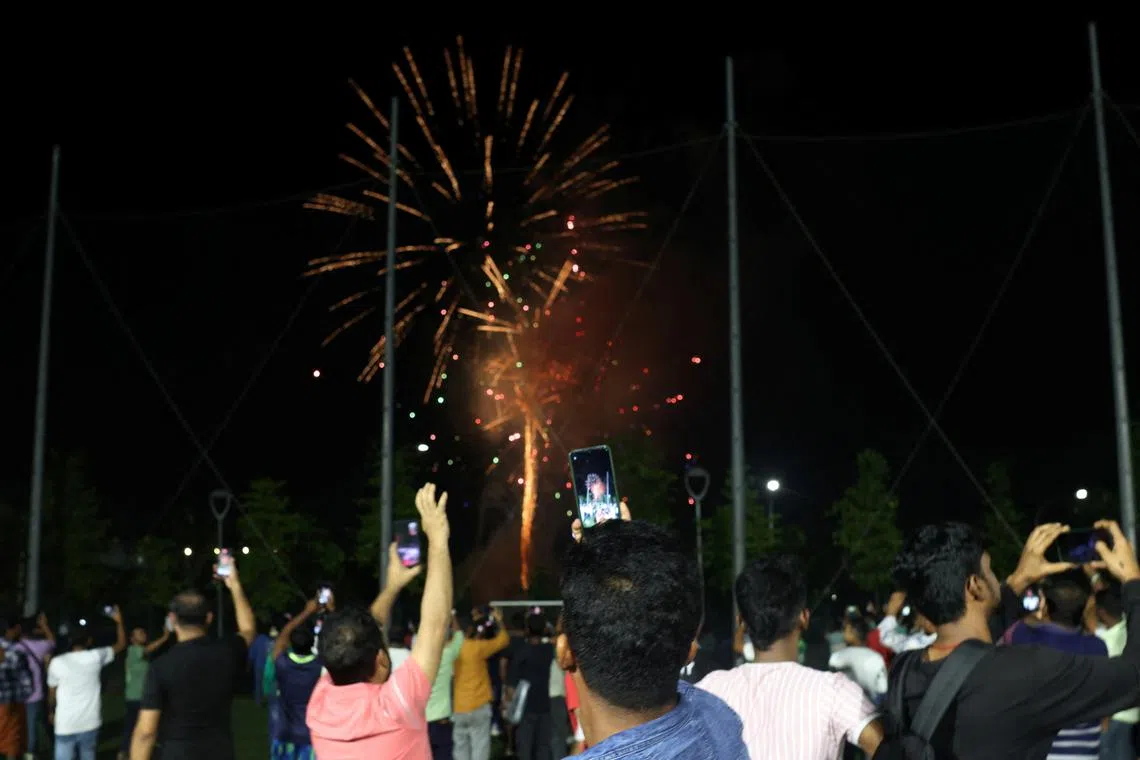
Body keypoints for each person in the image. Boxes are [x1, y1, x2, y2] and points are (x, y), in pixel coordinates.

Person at [886, 520, 1140, 758]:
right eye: (990, 570)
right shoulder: (1027, 672)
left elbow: (967, 652)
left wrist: (1019, 580)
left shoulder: (903, 670)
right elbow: (1135, 676)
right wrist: (1132, 579)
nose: (998, 578)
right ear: (975, 586)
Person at [561, 506, 748, 759]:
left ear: (565, 653)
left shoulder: (719, 715)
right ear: (690, 651)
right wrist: (632, 561)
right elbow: (658, 635)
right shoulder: (718, 720)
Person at [305, 482, 452, 759]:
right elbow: (435, 624)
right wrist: (438, 539)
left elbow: (357, 634)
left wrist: (392, 586)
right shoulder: (396, 706)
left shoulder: (319, 704)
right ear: (382, 661)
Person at [698, 555, 882, 758]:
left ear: (742, 622)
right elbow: (883, 747)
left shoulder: (707, 691)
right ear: (804, 618)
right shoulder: (833, 692)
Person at [129, 562, 256, 760]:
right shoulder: (227, 652)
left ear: (172, 619)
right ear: (209, 618)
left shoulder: (161, 666)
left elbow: (146, 731)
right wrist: (234, 584)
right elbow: (248, 629)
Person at [47, 606, 127, 760]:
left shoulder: (57, 662)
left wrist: (51, 711)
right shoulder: (96, 656)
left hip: (65, 724)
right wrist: (119, 622)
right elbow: (121, 644)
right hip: (90, 723)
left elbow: (52, 694)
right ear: (89, 641)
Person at [270, 598, 328, 760]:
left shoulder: (282, 663)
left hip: (283, 731)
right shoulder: (320, 666)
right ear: (312, 644)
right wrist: (330, 611)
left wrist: (306, 611)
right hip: (309, 734)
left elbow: (284, 634)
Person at [453, 608, 508, 760]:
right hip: (479, 704)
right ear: (470, 629)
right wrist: (499, 620)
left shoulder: (452, 649)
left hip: (458, 707)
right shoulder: (477, 647)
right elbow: (503, 639)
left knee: (460, 750)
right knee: (480, 748)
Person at [1093, 582, 1137, 760]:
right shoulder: (1131, 629)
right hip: (1133, 715)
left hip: (1115, 719)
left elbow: (1108, 683)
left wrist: (1104, 716)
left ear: (1101, 612)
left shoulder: (1104, 641)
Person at [506, 613, 555, 760]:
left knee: (525, 750)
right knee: (543, 750)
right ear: (544, 629)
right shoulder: (549, 650)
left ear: (527, 629)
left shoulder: (521, 652)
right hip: (546, 706)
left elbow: (510, 686)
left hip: (525, 708)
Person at [119, 625, 170, 760]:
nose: (144, 634)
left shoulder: (140, 652)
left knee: (137, 725)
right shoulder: (133, 650)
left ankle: (131, 751)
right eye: (140, 633)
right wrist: (164, 637)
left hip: (139, 696)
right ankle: (126, 751)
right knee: (135, 726)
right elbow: (149, 649)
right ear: (132, 639)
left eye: (143, 632)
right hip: (136, 697)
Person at [16, 612, 55, 760]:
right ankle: (31, 754)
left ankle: (24, 752)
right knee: (33, 727)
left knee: (22, 726)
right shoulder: (39, 646)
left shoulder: (13, 647)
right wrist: (45, 626)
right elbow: (52, 642)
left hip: (17, 695)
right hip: (35, 694)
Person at [424, 613, 463, 760]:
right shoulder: (447, 655)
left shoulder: (419, 659)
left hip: (422, 723)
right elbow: (459, 637)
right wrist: (452, 616)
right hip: (441, 721)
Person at [828, 614, 889, 705]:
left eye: (845, 630)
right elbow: (883, 688)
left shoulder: (838, 656)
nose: (843, 633)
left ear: (853, 633)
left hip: (846, 706)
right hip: (873, 708)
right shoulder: (876, 657)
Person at [1, 614, 34, 760]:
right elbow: (27, 684)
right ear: (10, 630)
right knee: (12, 741)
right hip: (10, 703)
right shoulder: (15, 653)